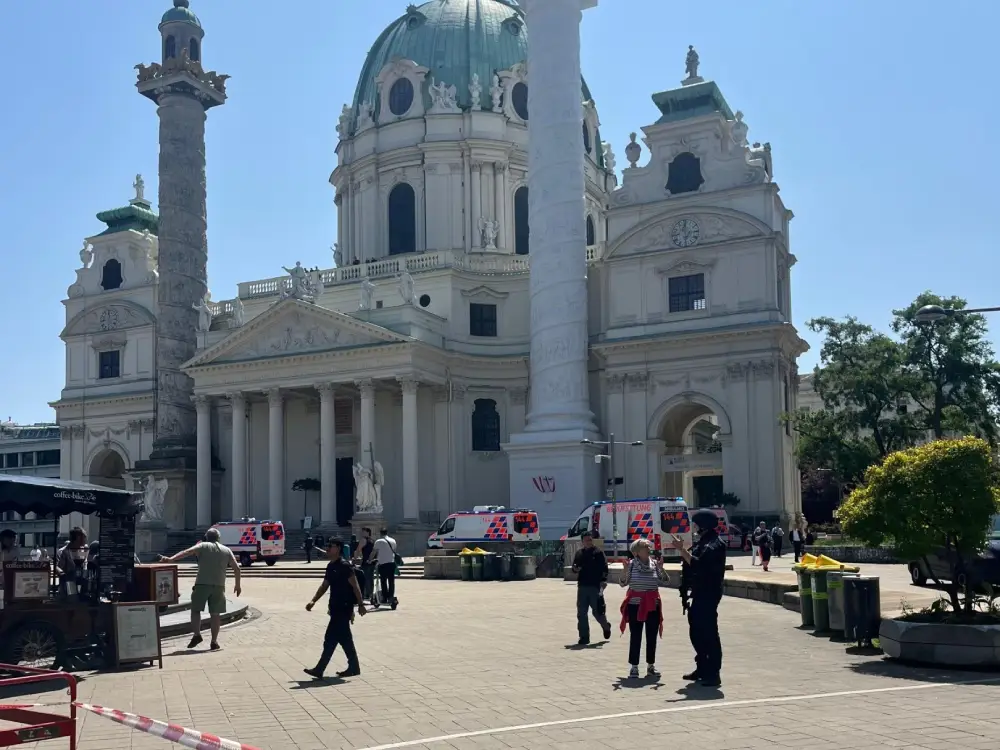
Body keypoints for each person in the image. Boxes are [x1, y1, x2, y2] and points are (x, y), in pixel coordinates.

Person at [159, 527, 242, 651]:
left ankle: (197, 634)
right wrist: (237, 585)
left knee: (196, 610)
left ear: (206, 537)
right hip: (219, 585)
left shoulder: (203, 546)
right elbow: (237, 568)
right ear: (218, 538)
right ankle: (214, 641)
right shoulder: (227, 550)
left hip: (202, 583)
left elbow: (187, 552)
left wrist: (171, 559)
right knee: (215, 615)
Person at [672, 509, 727, 688]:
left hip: (708, 594)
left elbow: (698, 564)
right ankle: (702, 667)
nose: (693, 527)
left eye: (695, 524)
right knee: (696, 632)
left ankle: (713, 673)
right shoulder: (703, 541)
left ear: (703, 525)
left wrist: (682, 550)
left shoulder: (714, 544)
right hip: (698, 593)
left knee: (708, 633)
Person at [304, 538, 366, 679]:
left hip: (344, 608)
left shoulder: (345, 566)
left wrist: (361, 605)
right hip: (335, 607)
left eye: (330, 546)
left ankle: (320, 669)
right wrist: (313, 600)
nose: (327, 549)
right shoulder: (330, 566)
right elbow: (324, 586)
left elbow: (355, 586)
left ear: (338, 548)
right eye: (327, 546)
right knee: (345, 639)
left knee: (330, 638)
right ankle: (354, 667)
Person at [618, 538, 663, 678]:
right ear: (636, 552)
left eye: (649, 546)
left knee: (652, 636)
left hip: (652, 605)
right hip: (635, 605)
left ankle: (651, 666)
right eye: (645, 547)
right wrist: (625, 570)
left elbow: (664, 579)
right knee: (636, 636)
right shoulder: (631, 565)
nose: (649, 548)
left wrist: (661, 569)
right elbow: (622, 583)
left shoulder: (654, 564)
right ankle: (634, 667)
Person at [571, 531, 611, 645]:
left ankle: (605, 626)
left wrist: (603, 581)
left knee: (597, 612)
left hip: (595, 586)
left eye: (590, 539)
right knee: (581, 613)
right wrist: (575, 569)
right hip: (582, 586)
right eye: (586, 540)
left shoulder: (598, 553)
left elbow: (604, 568)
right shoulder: (579, 553)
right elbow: (575, 567)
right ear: (582, 542)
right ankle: (584, 637)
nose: (589, 542)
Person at [56, 527, 89, 600]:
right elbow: (58, 567)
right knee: (72, 601)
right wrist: (63, 574)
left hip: (82, 584)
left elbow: (85, 566)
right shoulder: (63, 551)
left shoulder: (84, 550)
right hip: (68, 586)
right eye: (83, 537)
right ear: (77, 538)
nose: (85, 540)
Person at [372, 528, 398, 610]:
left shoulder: (378, 541)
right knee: (391, 581)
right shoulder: (393, 540)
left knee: (383, 581)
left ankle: (384, 596)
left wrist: (369, 560)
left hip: (382, 564)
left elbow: (373, 552)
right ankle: (391, 596)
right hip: (391, 563)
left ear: (380, 533)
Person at [353, 527, 376, 604]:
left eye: (363, 532)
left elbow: (358, 550)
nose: (362, 533)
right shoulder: (372, 540)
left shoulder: (363, 540)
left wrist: (354, 559)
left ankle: (366, 594)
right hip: (372, 562)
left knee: (365, 578)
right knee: (371, 578)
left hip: (366, 562)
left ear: (367, 532)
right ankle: (371, 594)